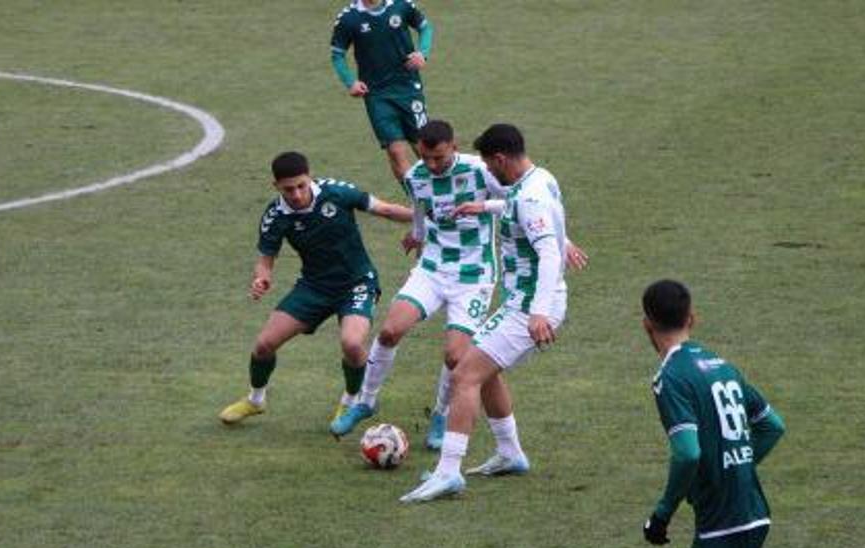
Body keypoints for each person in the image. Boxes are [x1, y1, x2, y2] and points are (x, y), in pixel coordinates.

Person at [637, 279, 858, 548]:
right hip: (749, 511)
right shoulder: (722, 366)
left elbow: (687, 453)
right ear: (692, 318)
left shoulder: (671, 378)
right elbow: (771, 425)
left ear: (646, 326)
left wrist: (662, 514)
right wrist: (737, 466)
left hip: (724, 523)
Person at [331, 120, 589, 451]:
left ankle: (441, 415)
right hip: (433, 267)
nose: (432, 165)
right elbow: (421, 210)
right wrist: (418, 235)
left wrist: (560, 238)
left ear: (454, 147)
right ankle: (365, 401)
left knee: (456, 356)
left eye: (438, 157)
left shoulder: (482, 171)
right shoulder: (417, 177)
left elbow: (521, 202)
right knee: (390, 331)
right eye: (425, 157)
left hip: (474, 273)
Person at [401, 123, 575, 502]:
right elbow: (523, 209)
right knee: (485, 367)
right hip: (521, 303)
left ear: (500, 158)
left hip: (527, 308)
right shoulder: (538, 179)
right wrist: (487, 205)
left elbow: (547, 252)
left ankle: (448, 472)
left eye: (488, 165)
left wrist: (539, 313)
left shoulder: (529, 199)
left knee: (464, 373)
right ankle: (510, 453)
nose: (487, 173)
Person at [218, 152, 413, 426]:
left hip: (357, 282)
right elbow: (265, 260)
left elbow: (385, 209)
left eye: (301, 185)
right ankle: (255, 400)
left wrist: (424, 218)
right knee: (264, 345)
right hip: (314, 286)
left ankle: (351, 401)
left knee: (353, 344)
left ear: (310, 177)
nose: (296, 194)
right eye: (288, 189)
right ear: (276, 186)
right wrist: (261, 279)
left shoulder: (337, 193)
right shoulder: (275, 216)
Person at [331, 0, 434, 182]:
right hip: (377, 94)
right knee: (395, 151)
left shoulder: (401, 5)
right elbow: (338, 54)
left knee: (424, 148)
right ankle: (419, 203)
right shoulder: (348, 18)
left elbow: (425, 27)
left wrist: (422, 53)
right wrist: (350, 82)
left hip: (408, 87)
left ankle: (444, 192)